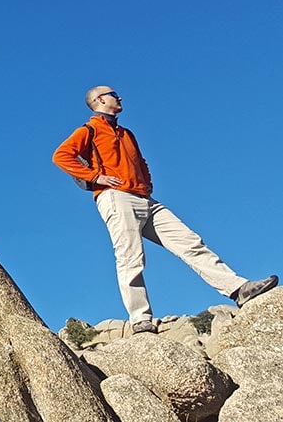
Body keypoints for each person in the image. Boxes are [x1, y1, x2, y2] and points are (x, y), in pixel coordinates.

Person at [52, 85, 278, 334]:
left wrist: (147, 182)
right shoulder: (90, 129)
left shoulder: (126, 133)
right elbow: (62, 155)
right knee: (130, 257)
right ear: (99, 100)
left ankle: (238, 289)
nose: (119, 97)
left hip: (144, 198)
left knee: (190, 242)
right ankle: (140, 318)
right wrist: (96, 176)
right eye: (114, 94)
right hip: (116, 197)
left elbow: (140, 161)